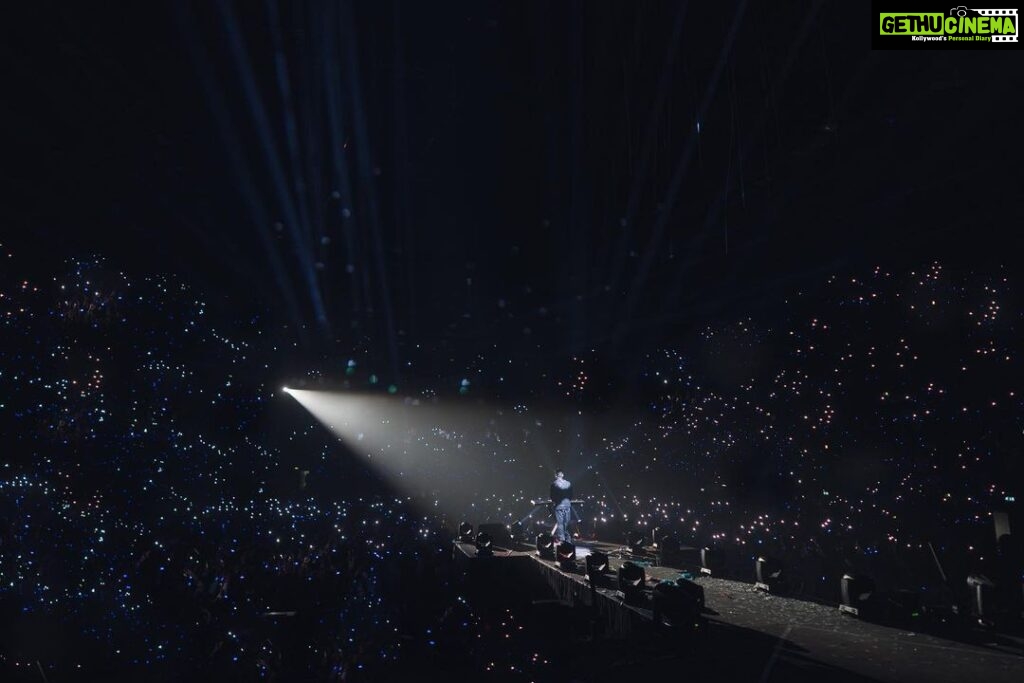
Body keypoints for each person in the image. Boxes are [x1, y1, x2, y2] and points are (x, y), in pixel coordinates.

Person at [550, 470, 573, 542]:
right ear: (563, 475)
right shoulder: (568, 483)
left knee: (560, 524)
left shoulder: (554, 484)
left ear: (556, 475)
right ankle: (568, 540)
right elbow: (571, 495)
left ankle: (562, 541)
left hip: (559, 506)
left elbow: (552, 496)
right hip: (567, 505)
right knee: (566, 523)